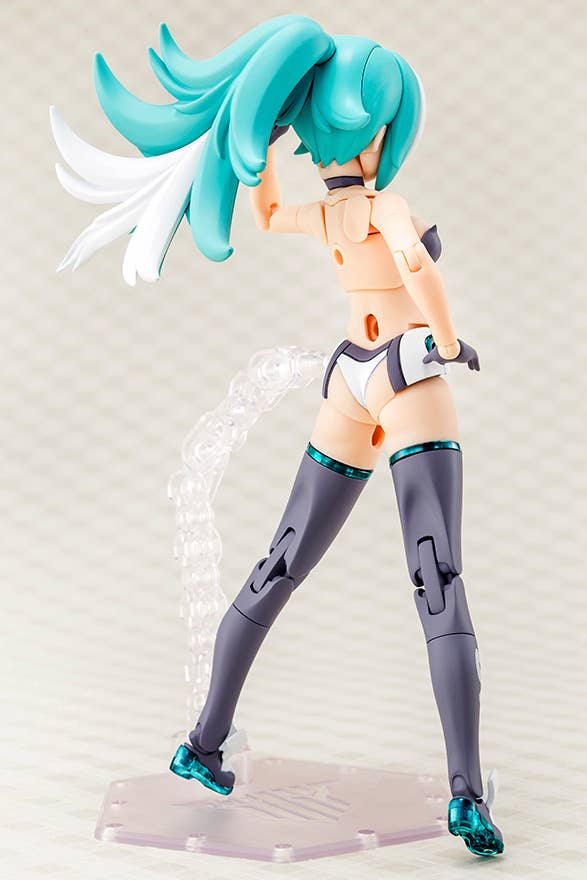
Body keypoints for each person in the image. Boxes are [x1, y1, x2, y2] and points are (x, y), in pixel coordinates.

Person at [51, 14, 503, 856]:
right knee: (435, 581)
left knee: (279, 563)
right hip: (405, 375)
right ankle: (465, 795)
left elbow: (262, 211)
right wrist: (444, 341)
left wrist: (254, 140)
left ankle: (203, 741)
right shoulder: (385, 206)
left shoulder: (326, 217)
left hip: (346, 377)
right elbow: (414, 266)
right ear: (382, 134)